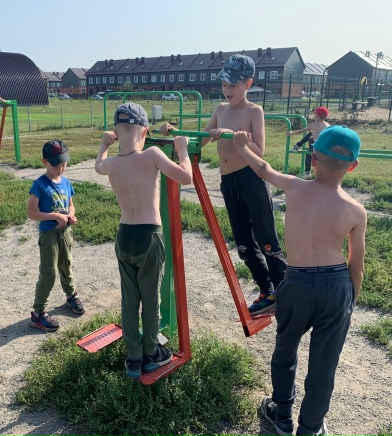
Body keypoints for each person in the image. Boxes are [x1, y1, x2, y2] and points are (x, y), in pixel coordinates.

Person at [231, 125, 366, 436]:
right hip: (336, 288)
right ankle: (310, 428)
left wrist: (241, 146)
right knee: (324, 364)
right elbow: (356, 265)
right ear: (353, 166)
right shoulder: (356, 211)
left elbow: (263, 169)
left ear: (313, 157)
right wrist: (350, 303)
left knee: (285, 349)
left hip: (297, 283)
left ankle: (282, 415)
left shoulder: (295, 187)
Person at [159, 54, 286, 316]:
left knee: (266, 240)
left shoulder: (254, 111)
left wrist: (233, 137)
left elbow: (259, 151)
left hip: (252, 180)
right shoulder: (220, 110)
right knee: (243, 244)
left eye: (233, 85)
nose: (227, 90)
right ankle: (267, 291)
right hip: (229, 183)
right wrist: (175, 134)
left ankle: (285, 293)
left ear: (248, 84)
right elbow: (200, 141)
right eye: (224, 84)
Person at [95, 103, 193, 378]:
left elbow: (98, 165)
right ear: (145, 132)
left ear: (116, 133)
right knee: (150, 299)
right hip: (149, 236)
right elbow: (186, 177)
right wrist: (182, 149)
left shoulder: (112, 164)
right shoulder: (152, 154)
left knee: (130, 300)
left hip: (124, 235)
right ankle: (151, 353)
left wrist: (104, 145)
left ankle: (133, 357)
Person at [27, 140, 85, 332]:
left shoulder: (66, 183)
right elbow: (32, 213)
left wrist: (70, 216)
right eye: (56, 165)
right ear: (44, 161)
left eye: (64, 164)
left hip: (65, 232)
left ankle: (71, 296)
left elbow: (71, 204)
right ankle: (38, 313)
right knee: (49, 272)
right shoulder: (39, 185)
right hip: (49, 235)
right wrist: (55, 216)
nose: (60, 168)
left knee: (66, 265)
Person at [287, 106, 330, 178]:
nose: (313, 116)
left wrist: (291, 133)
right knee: (310, 153)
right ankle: (310, 172)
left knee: (310, 136)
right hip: (323, 148)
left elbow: (301, 131)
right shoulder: (328, 125)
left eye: (314, 114)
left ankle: (297, 146)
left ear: (317, 116)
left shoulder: (314, 125)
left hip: (314, 146)